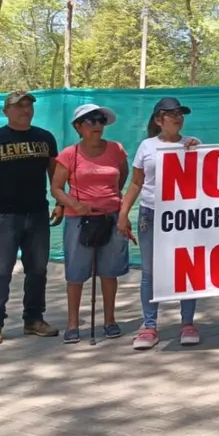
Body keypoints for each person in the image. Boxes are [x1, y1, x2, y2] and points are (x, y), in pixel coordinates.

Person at [0, 91, 62, 345]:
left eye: (29, 105)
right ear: (6, 111)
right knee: (1, 271)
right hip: (4, 216)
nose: (25, 110)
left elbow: (55, 175)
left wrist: (59, 203)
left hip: (37, 215)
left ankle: (34, 319)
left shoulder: (44, 138)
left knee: (38, 270)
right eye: (19, 106)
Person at [118, 98, 202, 350]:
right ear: (158, 120)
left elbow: (208, 178)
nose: (177, 117)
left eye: (180, 113)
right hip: (151, 214)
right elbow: (136, 183)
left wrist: (198, 154)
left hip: (184, 217)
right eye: (171, 113)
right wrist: (123, 213)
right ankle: (150, 325)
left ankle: (187, 323)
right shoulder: (147, 146)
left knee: (187, 267)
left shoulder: (193, 144)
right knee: (150, 272)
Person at [51, 104, 130, 344]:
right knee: (75, 273)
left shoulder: (117, 150)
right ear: (78, 127)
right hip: (79, 220)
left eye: (100, 120)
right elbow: (56, 187)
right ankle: (72, 323)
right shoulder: (68, 154)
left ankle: (109, 319)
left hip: (111, 217)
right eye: (90, 121)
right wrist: (73, 205)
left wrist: (113, 202)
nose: (97, 125)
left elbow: (123, 177)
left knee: (109, 272)